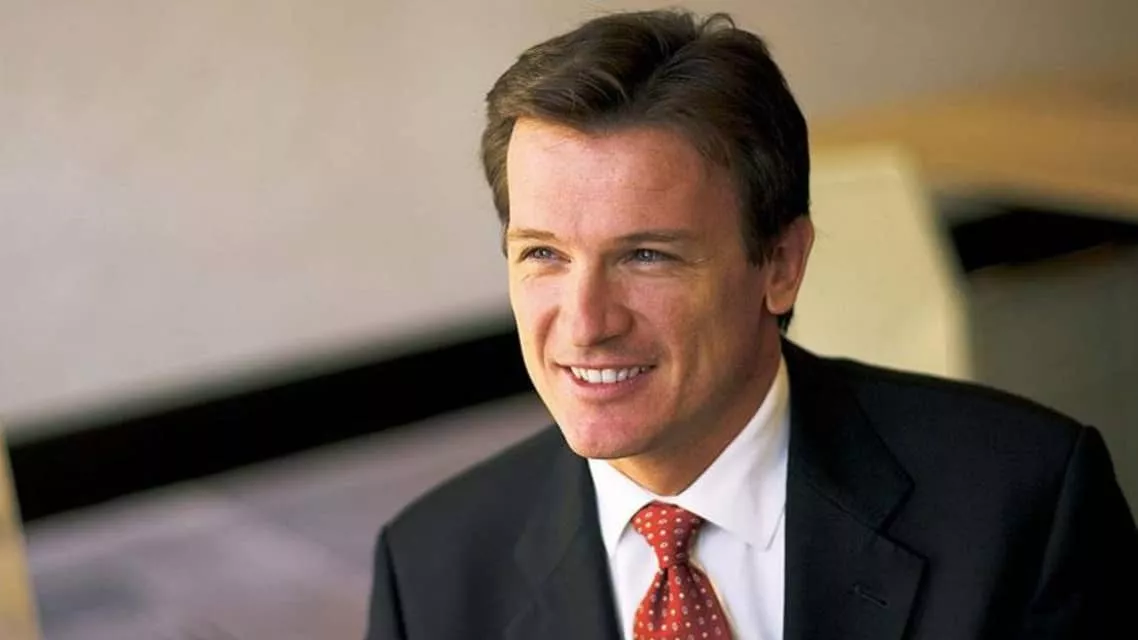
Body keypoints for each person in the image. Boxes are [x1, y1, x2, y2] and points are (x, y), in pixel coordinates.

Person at [365, 9, 1137, 640]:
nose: (586, 322)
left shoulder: (1024, 507)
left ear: (780, 264)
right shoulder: (428, 572)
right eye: (543, 254)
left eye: (646, 256)